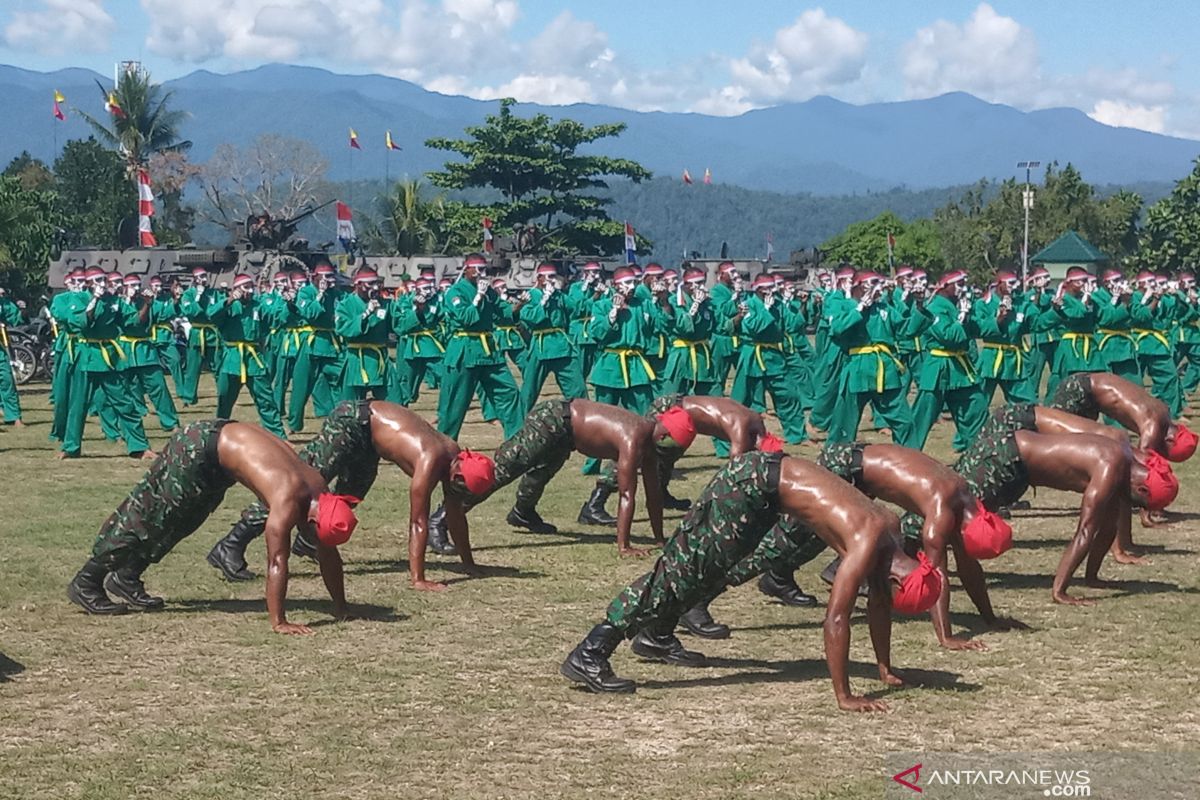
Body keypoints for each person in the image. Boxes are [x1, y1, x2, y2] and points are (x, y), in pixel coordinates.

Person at [559, 451, 942, 712]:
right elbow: (837, 619)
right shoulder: (868, 541)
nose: (880, 599)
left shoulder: (893, 535)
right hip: (750, 484)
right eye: (891, 595)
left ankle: (656, 636)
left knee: (709, 572)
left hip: (768, 491)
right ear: (898, 577)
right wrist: (844, 695)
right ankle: (591, 651)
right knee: (681, 570)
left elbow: (877, 603)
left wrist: (884, 668)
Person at [66, 420, 360, 635]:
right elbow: (277, 561)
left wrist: (341, 606)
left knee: (181, 522)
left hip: (218, 457)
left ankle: (126, 577)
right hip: (198, 446)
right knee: (149, 515)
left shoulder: (321, 492)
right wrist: (279, 621)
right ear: (311, 521)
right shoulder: (288, 498)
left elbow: (329, 554)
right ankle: (87, 581)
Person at [206, 400, 496, 591]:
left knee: (348, 496)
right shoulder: (432, 460)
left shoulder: (457, 458)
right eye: (461, 489)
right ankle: (230, 546)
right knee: (296, 488)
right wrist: (418, 579)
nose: (458, 496)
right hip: (352, 422)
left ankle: (310, 542)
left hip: (370, 439)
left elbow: (454, 511)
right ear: (458, 475)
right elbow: (418, 521)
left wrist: (468, 562)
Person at [953, 404, 1176, 607]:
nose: (1132, 506)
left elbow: (1108, 527)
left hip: (1016, 461)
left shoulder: (1125, 457)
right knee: (955, 513)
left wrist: (1091, 578)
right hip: (1005, 458)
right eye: (1138, 504)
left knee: (953, 499)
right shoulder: (1110, 467)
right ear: (1141, 489)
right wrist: (1060, 591)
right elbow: (1085, 531)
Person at [428, 399, 693, 557]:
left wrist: (659, 539)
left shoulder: (649, 441)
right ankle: (441, 519)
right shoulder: (634, 437)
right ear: (662, 435)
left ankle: (522, 512)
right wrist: (624, 546)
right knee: (503, 469)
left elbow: (653, 493)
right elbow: (627, 494)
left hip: (568, 435)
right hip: (554, 418)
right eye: (670, 446)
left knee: (542, 472)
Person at [58, 268, 153, 460]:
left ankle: (139, 446)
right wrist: (94, 299)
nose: (102, 283)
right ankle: (71, 447)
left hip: (109, 358)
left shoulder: (114, 301)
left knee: (124, 402)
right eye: (97, 280)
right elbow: (83, 323)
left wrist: (146, 305)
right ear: (88, 283)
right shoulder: (79, 299)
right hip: (86, 356)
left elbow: (133, 322)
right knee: (78, 405)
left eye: (103, 279)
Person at [436, 254, 524, 439]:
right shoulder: (455, 292)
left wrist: (521, 304)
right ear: (466, 269)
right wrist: (478, 296)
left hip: (489, 351)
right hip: (464, 350)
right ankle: (444, 448)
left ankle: (517, 443)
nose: (481, 273)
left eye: (484, 269)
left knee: (509, 393)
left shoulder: (489, 291)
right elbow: (466, 318)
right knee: (455, 403)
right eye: (477, 269)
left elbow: (504, 312)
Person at [824, 272, 915, 445]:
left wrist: (919, 306)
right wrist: (860, 309)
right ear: (860, 285)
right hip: (858, 369)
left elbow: (905, 329)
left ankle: (913, 461)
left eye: (880, 282)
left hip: (885, 370)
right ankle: (833, 462)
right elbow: (836, 328)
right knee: (844, 423)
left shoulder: (884, 308)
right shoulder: (846, 305)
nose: (880, 286)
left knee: (904, 421)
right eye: (874, 282)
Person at [908, 270, 988, 451]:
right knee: (923, 415)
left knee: (976, 407)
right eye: (958, 285)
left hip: (960, 369)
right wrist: (962, 318)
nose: (962, 289)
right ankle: (907, 455)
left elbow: (977, 329)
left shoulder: (956, 305)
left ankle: (978, 452)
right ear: (945, 286)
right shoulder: (934, 307)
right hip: (939, 367)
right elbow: (949, 336)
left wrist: (995, 320)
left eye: (964, 284)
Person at [1048, 372, 1197, 462]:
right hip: (1078, 390)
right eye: (1164, 450)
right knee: (1047, 440)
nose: (1160, 451)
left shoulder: (1164, 411)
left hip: (1088, 391)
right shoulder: (1153, 424)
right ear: (1170, 439)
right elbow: (1144, 461)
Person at [729, 274, 808, 444]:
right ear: (757, 290)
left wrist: (801, 305)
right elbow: (754, 327)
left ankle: (797, 435)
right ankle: (735, 437)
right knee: (744, 398)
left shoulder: (778, 305)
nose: (770, 292)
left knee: (788, 393)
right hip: (752, 355)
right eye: (766, 289)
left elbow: (793, 325)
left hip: (774, 357)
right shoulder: (747, 305)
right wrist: (765, 309)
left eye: (772, 288)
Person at [211, 274, 286, 437]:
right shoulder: (228, 305)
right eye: (246, 287)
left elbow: (276, 317)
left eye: (252, 287)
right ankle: (218, 433)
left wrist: (289, 303)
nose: (250, 291)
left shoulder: (258, 305)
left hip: (254, 358)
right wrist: (229, 301)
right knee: (224, 398)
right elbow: (212, 316)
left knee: (265, 398)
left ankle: (278, 436)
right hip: (232, 357)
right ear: (237, 289)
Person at [519, 264, 587, 413]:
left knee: (576, 386)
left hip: (561, 344)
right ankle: (519, 422)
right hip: (540, 346)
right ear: (539, 278)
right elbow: (530, 318)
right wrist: (544, 300)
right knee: (529, 388)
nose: (552, 280)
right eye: (549, 277)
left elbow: (577, 309)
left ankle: (583, 416)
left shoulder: (559, 295)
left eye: (554, 276)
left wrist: (582, 288)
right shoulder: (531, 295)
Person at [116, 274, 179, 432]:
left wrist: (175, 298)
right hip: (125, 351)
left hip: (145, 350)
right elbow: (133, 321)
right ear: (124, 287)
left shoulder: (147, 302)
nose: (135, 289)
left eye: (138, 285)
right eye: (132, 285)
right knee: (124, 390)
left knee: (158, 387)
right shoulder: (117, 304)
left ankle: (170, 422)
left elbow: (166, 313)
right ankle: (124, 426)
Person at [287, 263, 344, 433]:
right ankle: (294, 424)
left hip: (331, 342)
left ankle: (340, 419)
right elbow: (310, 313)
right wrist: (319, 295)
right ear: (314, 277)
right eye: (324, 276)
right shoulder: (306, 292)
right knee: (301, 384)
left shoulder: (337, 294)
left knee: (340, 380)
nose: (328, 280)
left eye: (330, 276)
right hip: (311, 342)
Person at [335, 268, 391, 401]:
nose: (375, 287)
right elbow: (342, 328)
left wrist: (418, 310)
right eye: (370, 284)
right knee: (350, 405)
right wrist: (366, 314)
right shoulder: (345, 305)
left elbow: (401, 325)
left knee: (394, 401)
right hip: (356, 358)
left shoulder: (386, 304)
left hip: (379, 359)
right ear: (358, 284)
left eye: (377, 283)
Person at [178, 267, 221, 406]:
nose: (203, 279)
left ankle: (223, 394)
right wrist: (198, 297)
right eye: (200, 276)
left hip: (212, 335)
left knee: (218, 367)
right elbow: (191, 311)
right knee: (192, 368)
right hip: (197, 333)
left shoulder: (214, 293)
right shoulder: (188, 294)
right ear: (195, 279)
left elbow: (217, 310)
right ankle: (188, 397)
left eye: (205, 276)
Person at [0, 286, 27, 427]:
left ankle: (14, 416)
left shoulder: (2, 302)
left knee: (6, 379)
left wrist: (22, 311)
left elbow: (15, 318)